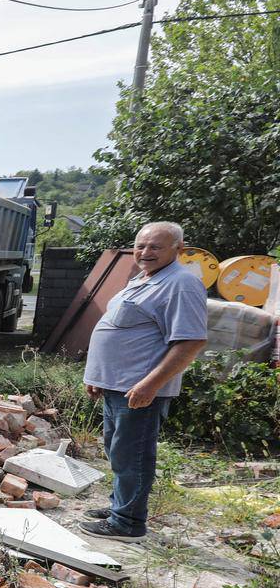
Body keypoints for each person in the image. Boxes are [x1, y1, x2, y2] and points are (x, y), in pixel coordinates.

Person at [81, 221, 208, 543]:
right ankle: (120, 507)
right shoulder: (144, 279)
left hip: (139, 391)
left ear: (179, 248)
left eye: (155, 246)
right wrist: (98, 376)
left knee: (132, 455)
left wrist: (150, 385)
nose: (145, 252)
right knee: (117, 450)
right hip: (117, 386)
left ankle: (127, 523)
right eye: (140, 245)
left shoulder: (180, 283)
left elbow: (190, 342)